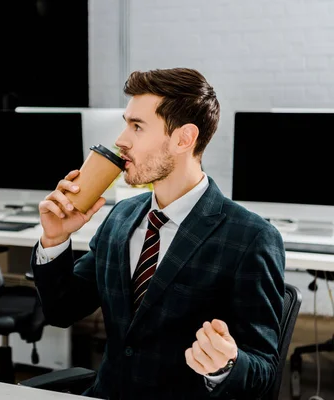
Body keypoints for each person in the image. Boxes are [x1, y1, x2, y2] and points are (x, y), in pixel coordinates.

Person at [31, 67, 285, 399]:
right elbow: (61, 310)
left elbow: (264, 372)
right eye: (126, 123)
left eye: (137, 126)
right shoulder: (121, 217)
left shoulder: (251, 238)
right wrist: (54, 239)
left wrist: (225, 366)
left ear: (184, 138)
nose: (121, 140)